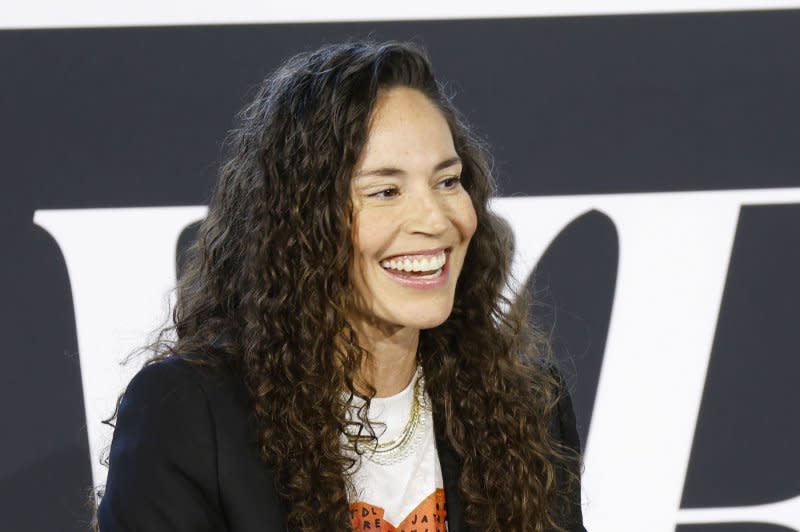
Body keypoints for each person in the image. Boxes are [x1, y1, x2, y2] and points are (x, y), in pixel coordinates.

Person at [94, 40, 586, 531]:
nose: (436, 220)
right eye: (386, 191)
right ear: (303, 222)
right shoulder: (190, 417)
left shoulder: (525, 408)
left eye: (447, 181)